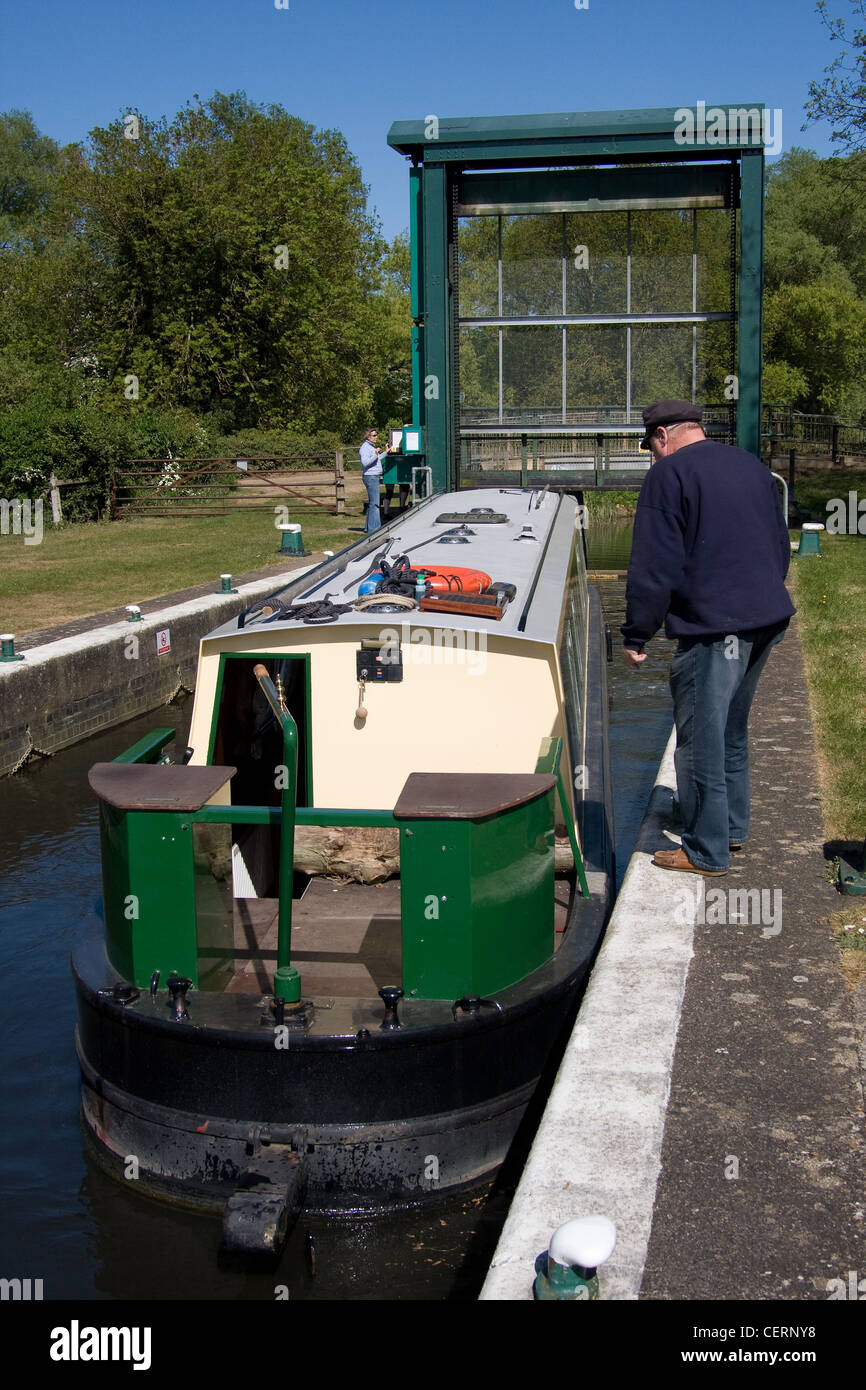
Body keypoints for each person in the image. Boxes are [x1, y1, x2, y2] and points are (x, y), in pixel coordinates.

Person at [621, 400, 795, 876]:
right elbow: (779, 544)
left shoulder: (668, 475)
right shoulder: (750, 466)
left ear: (661, 437)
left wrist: (638, 633)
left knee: (698, 740)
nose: (653, 457)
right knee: (731, 730)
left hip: (715, 628)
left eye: (650, 449)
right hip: (766, 618)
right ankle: (731, 826)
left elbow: (654, 565)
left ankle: (705, 850)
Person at [359, 428, 389, 533]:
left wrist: (385, 452)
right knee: (375, 503)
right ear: (368, 437)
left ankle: (369, 527)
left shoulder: (370, 447)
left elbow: (376, 460)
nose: (376, 437)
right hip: (370, 476)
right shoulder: (365, 448)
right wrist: (375, 454)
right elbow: (365, 462)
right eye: (374, 435)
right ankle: (375, 529)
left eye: (376, 435)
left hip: (373, 476)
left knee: (373, 503)